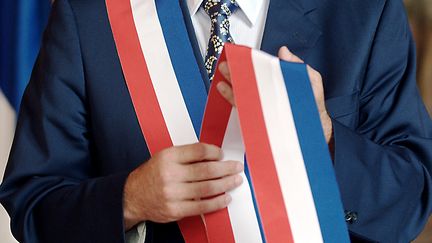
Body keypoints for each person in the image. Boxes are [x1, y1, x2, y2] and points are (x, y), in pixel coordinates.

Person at [1, 0, 432, 242]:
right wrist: (130, 199)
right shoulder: (90, 14)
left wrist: (326, 141)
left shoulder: (365, 13)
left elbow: (411, 200)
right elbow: (33, 203)